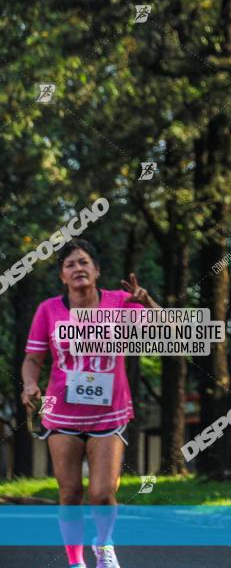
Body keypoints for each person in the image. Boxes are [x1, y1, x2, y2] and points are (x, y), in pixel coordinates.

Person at [21, 238, 160, 568]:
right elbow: (33, 358)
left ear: (97, 271)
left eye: (83, 262)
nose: (77, 268)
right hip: (61, 413)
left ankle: (105, 543)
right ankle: (75, 561)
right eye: (69, 265)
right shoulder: (48, 310)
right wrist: (29, 383)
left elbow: (164, 332)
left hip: (109, 413)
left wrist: (148, 302)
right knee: (69, 493)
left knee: (101, 493)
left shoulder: (122, 302)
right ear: (62, 277)